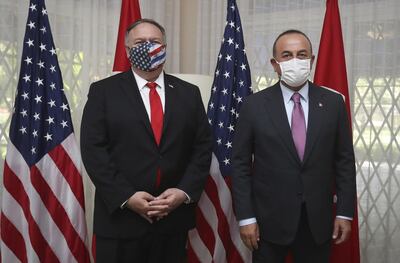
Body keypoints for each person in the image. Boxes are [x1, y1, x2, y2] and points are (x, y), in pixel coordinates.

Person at [80, 18, 212, 263]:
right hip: (120, 223)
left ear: (165, 47)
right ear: (128, 50)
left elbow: (202, 148)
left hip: (172, 222)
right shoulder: (103, 92)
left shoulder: (189, 93)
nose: (149, 47)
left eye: (155, 42)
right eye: (140, 42)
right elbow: (93, 150)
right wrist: (127, 197)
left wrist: (183, 192)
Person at [231, 29, 356, 263]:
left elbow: (345, 162)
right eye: (287, 55)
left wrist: (345, 212)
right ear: (275, 64)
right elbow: (240, 165)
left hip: (318, 223)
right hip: (268, 224)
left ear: (312, 60)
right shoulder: (254, 106)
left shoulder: (333, 103)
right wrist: (246, 218)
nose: (295, 61)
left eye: (302, 54)